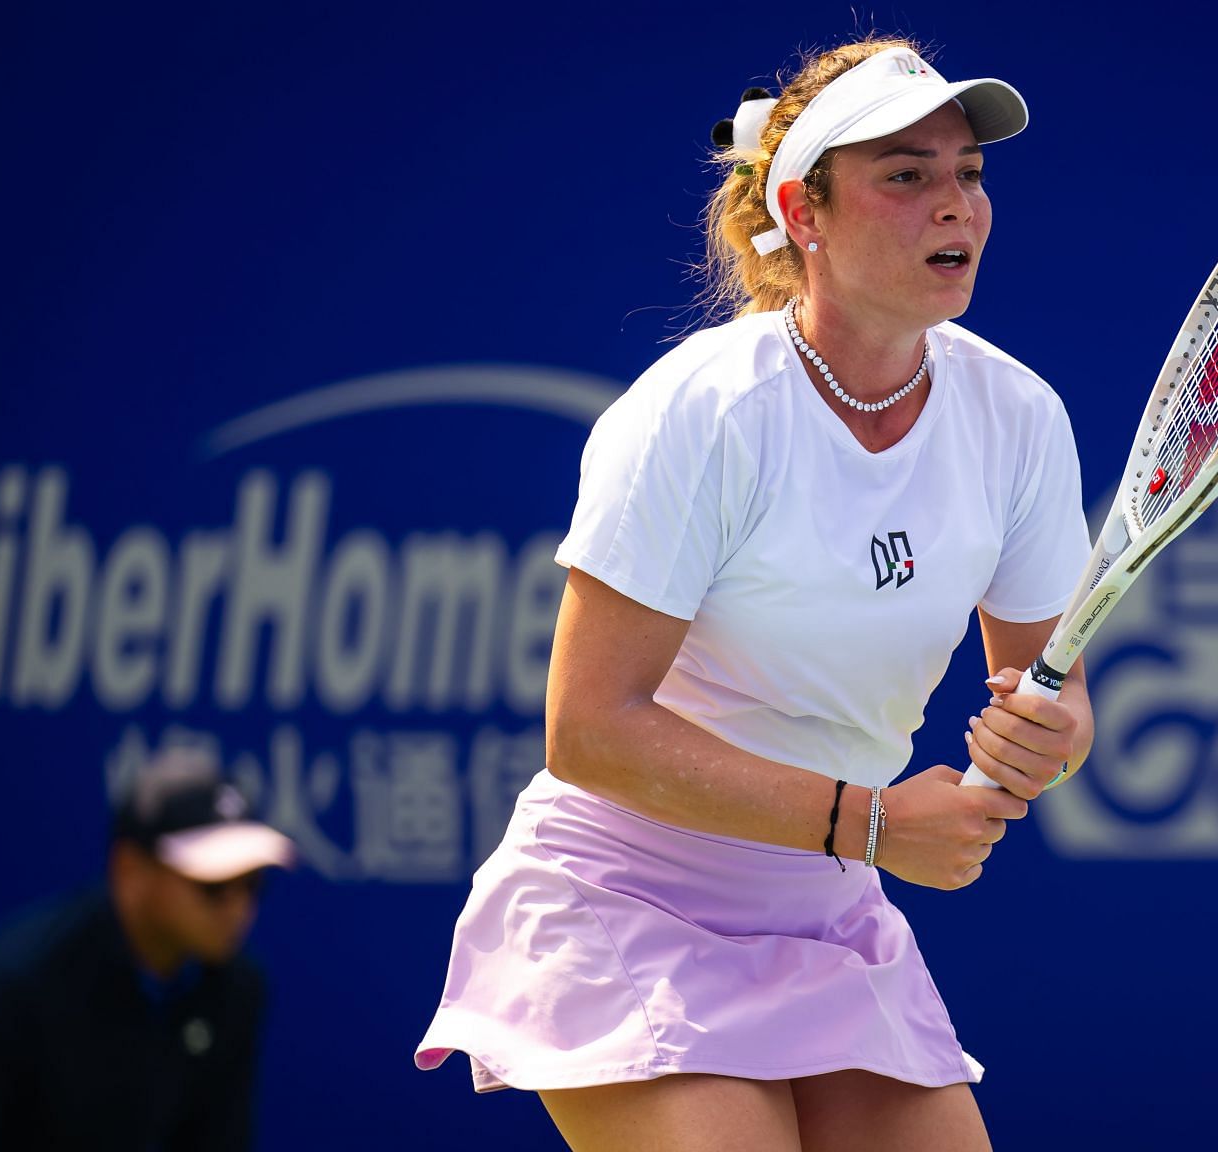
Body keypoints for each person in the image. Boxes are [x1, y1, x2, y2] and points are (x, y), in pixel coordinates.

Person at [414, 35, 1093, 1151]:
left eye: (969, 174)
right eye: (906, 175)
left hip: (826, 910)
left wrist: (1051, 738)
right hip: (625, 898)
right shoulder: (703, 410)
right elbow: (588, 732)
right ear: (804, 210)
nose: (955, 207)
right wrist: (874, 822)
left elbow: (1055, 700)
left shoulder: (1018, 418)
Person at [0, 748, 297, 1151]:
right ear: (130, 870)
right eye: (213, 885)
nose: (238, 907)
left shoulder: (238, 990)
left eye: (252, 883)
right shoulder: (11, 988)